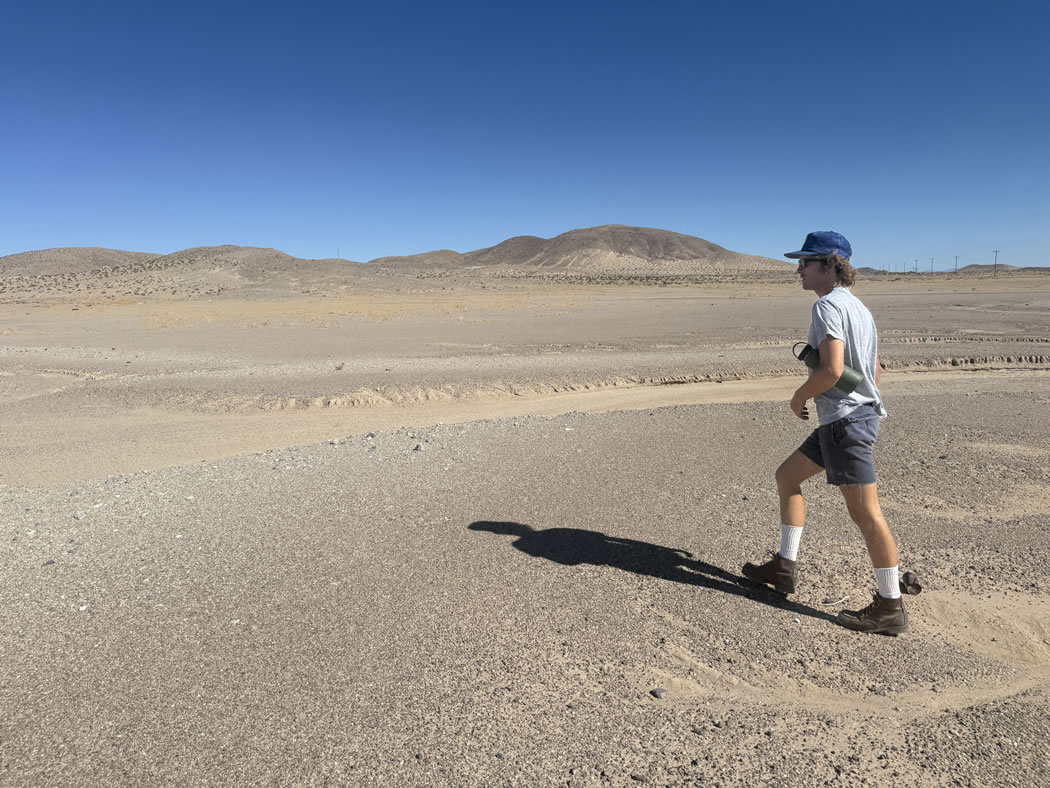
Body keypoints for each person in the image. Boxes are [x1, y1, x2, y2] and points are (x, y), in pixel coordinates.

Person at [742, 231, 910, 635]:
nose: (798, 269)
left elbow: (833, 369)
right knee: (787, 476)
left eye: (806, 262)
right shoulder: (858, 308)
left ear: (831, 266)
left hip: (845, 424)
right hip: (848, 419)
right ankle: (784, 567)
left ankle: (890, 606)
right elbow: (876, 369)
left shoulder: (827, 307)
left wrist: (799, 396)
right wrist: (860, 403)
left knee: (866, 513)